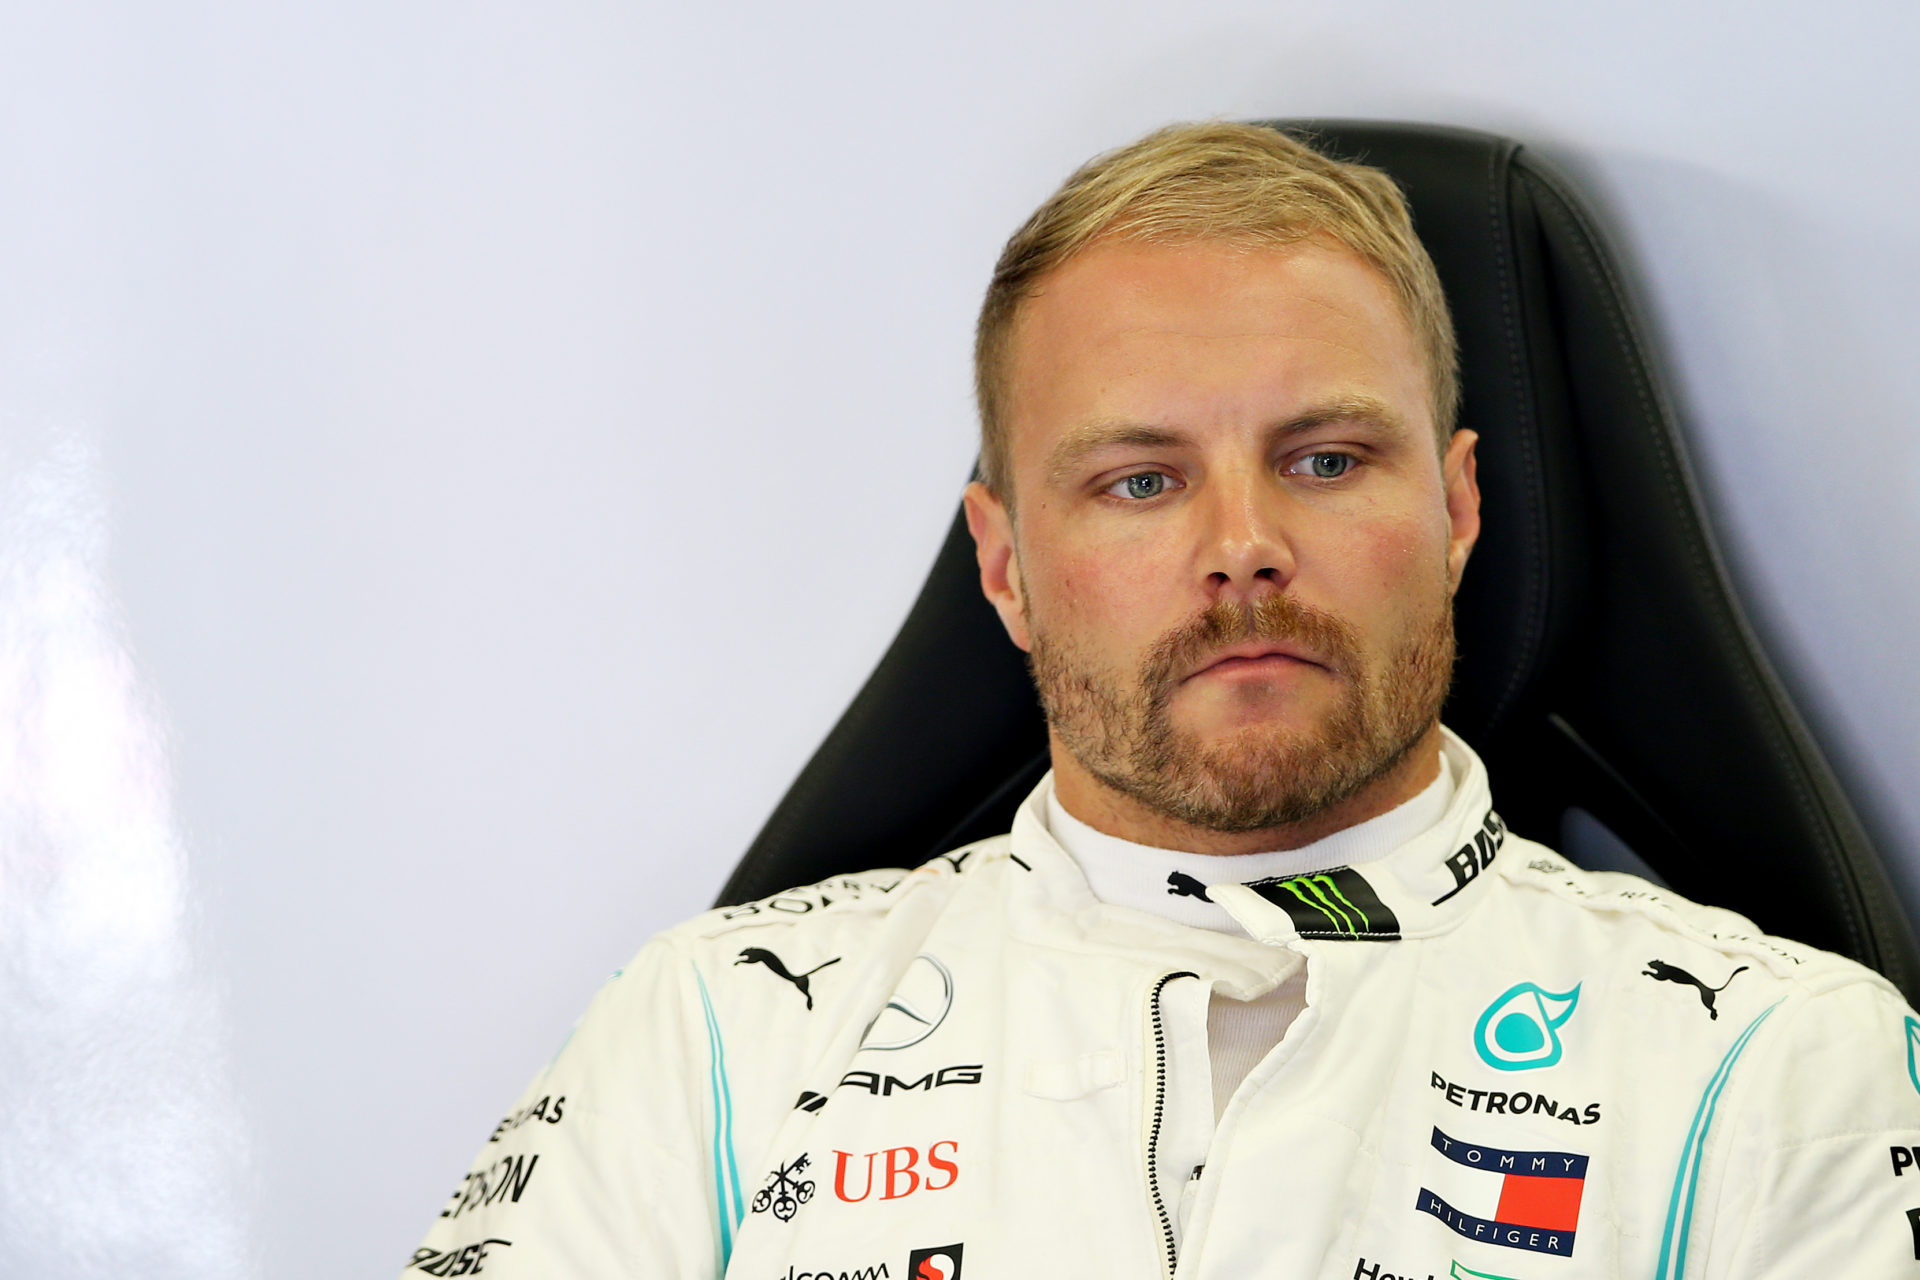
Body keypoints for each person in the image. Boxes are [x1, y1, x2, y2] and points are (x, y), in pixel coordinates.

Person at [402, 123, 1920, 1280]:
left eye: (1327, 459)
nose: (1243, 546)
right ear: (1002, 564)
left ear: (1461, 511)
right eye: (1140, 481)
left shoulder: (1780, 1068)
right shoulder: (712, 1040)